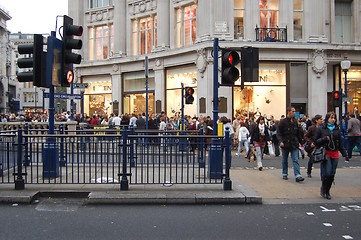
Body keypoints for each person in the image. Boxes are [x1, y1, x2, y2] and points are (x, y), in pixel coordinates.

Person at [315, 112, 348, 200]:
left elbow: (340, 143)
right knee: (328, 172)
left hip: (335, 152)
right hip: (326, 152)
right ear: (327, 118)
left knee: (332, 173)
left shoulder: (337, 129)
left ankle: (327, 190)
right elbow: (316, 141)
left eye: (334, 118)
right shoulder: (322, 128)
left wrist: (345, 154)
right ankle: (325, 190)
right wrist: (324, 138)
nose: (333, 119)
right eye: (331, 118)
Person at [277, 107, 305, 182]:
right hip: (285, 143)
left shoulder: (295, 122)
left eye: (295, 111)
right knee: (285, 160)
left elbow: (298, 134)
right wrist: (280, 141)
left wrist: (301, 142)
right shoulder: (283, 122)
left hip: (294, 143)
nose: (294, 113)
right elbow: (279, 133)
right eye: (293, 111)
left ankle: (298, 175)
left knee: (295, 159)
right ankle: (284, 173)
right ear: (289, 112)